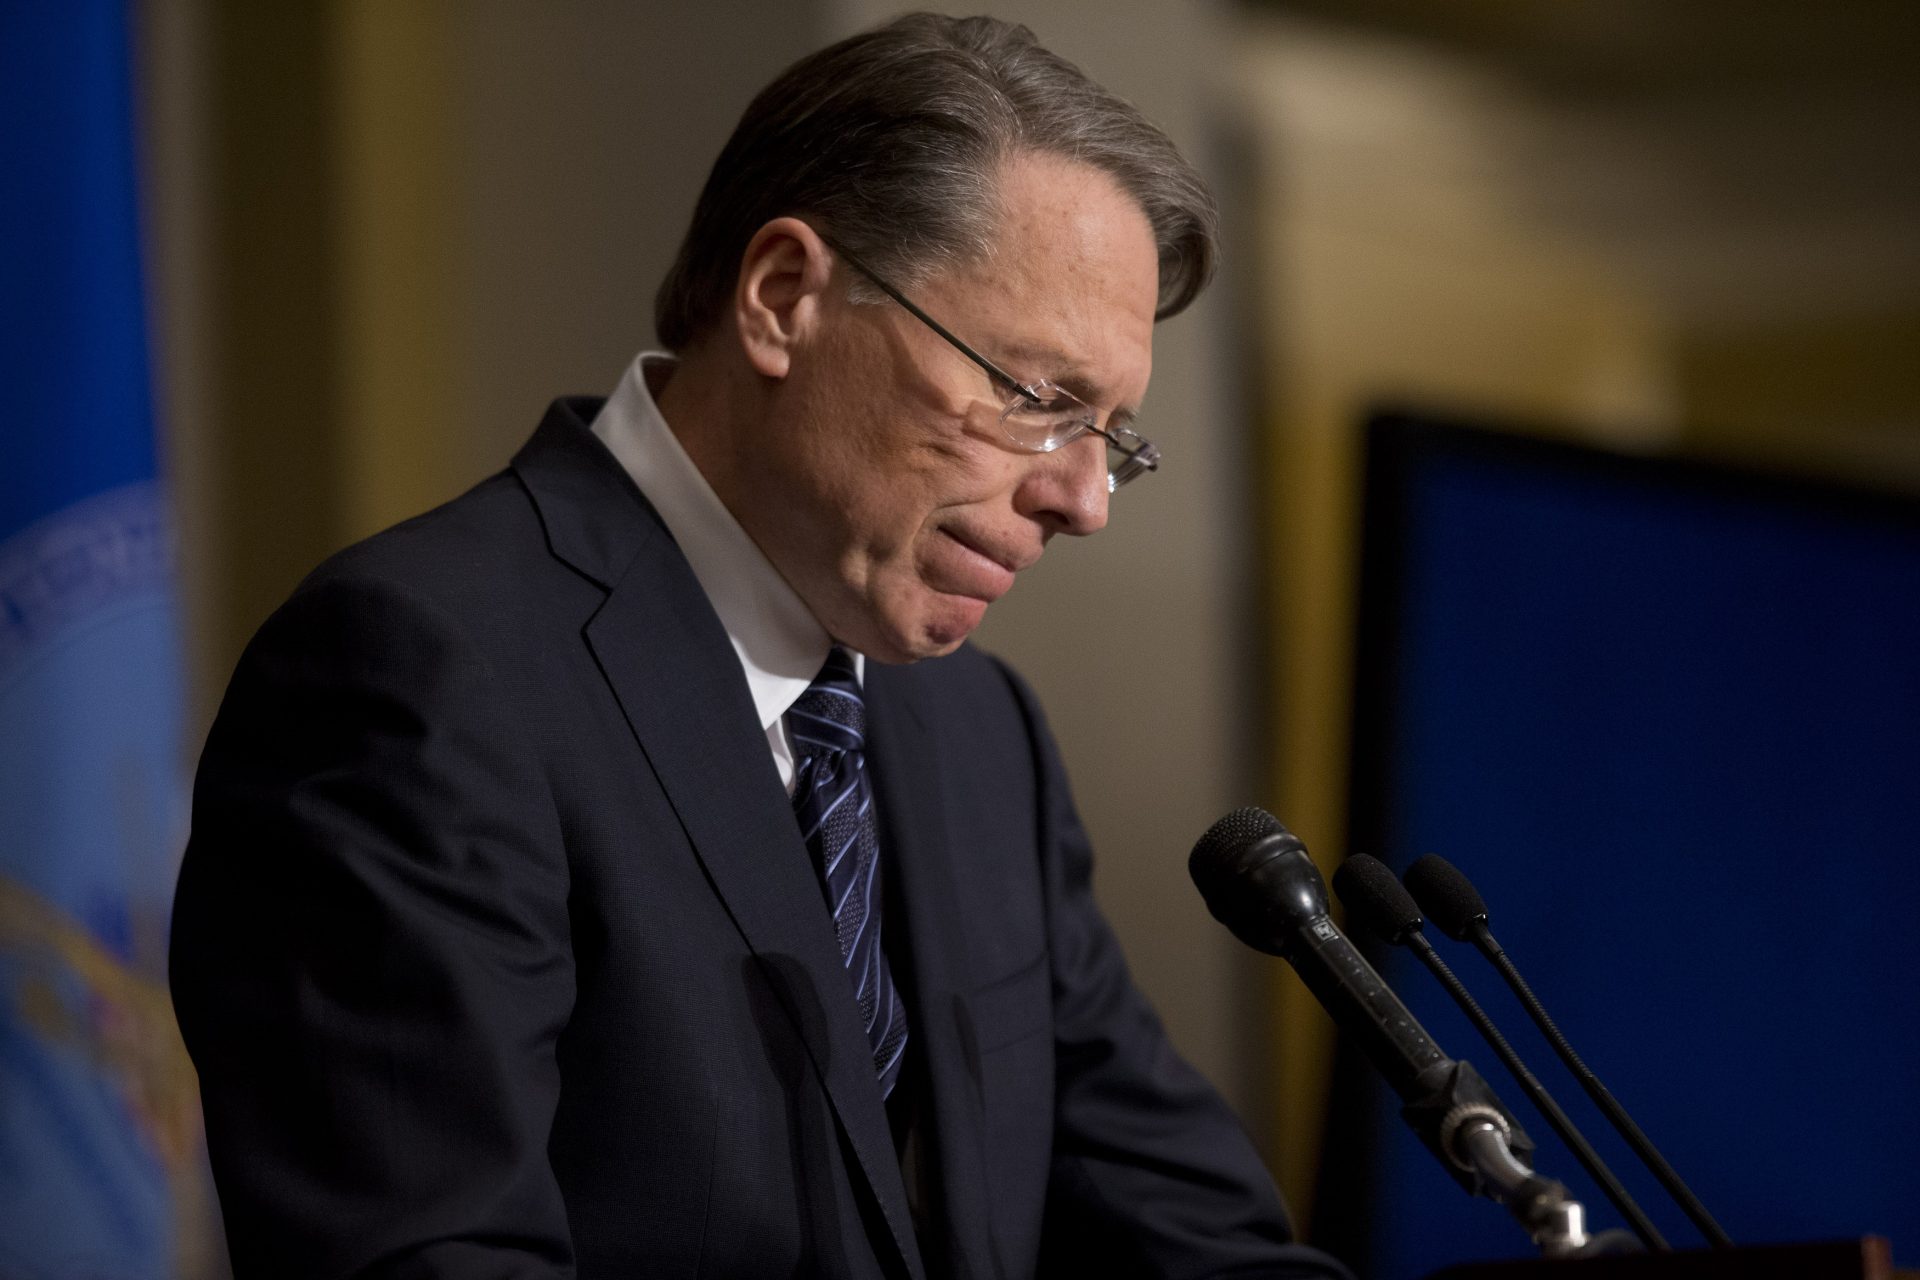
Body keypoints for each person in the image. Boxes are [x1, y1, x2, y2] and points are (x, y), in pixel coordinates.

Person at [170, 13, 1353, 1279]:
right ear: (785, 298)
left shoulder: (977, 736)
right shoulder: (422, 672)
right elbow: (428, 1254)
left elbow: (1186, 1232)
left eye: (1112, 434)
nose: (1085, 498)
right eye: (1038, 398)